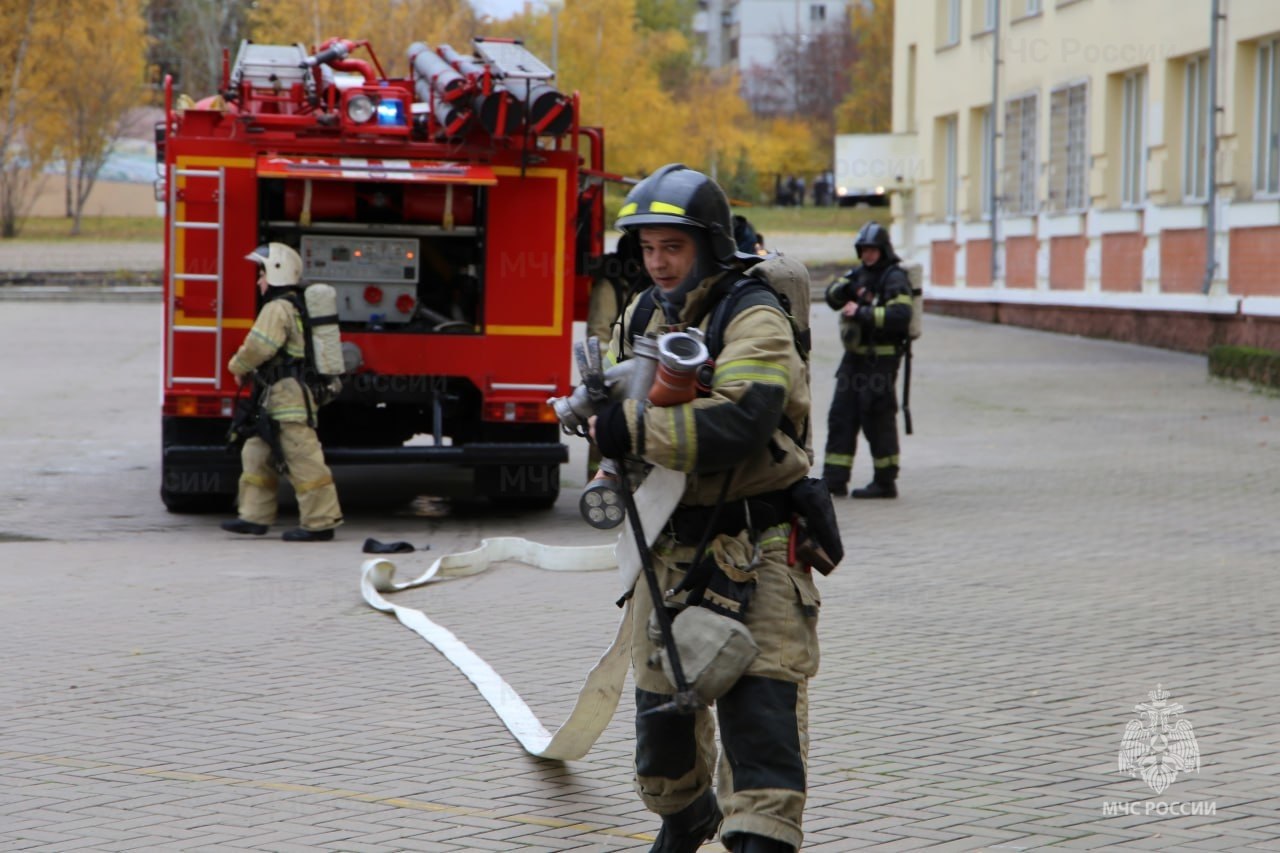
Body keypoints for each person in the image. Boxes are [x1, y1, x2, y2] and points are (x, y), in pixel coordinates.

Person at [590, 164, 819, 853]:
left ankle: (755, 837)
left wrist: (629, 428)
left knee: (762, 737)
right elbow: (610, 400)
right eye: (648, 248)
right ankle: (685, 816)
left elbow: (742, 420)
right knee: (663, 741)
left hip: (757, 553)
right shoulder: (641, 313)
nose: (658, 263)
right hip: (667, 553)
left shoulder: (754, 315)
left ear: (709, 245)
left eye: (674, 248)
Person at [220, 243, 343, 541]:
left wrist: (237, 366)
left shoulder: (277, 308)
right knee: (256, 451)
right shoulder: (291, 305)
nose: (258, 281)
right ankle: (254, 517)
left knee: (302, 456)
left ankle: (321, 523)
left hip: (288, 396)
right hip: (275, 395)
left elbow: (259, 346)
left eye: (261, 274)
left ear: (276, 272)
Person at [821, 221, 914, 499]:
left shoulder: (894, 277)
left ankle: (885, 482)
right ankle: (834, 480)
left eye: (872, 250)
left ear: (883, 250)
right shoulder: (859, 275)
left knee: (878, 420)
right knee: (841, 417)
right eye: (864, 250)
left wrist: (862, 312)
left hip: (880, 363)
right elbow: (831, 297)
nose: (868, 255)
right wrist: (846, 289)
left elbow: (901, 316)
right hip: (853, 362)